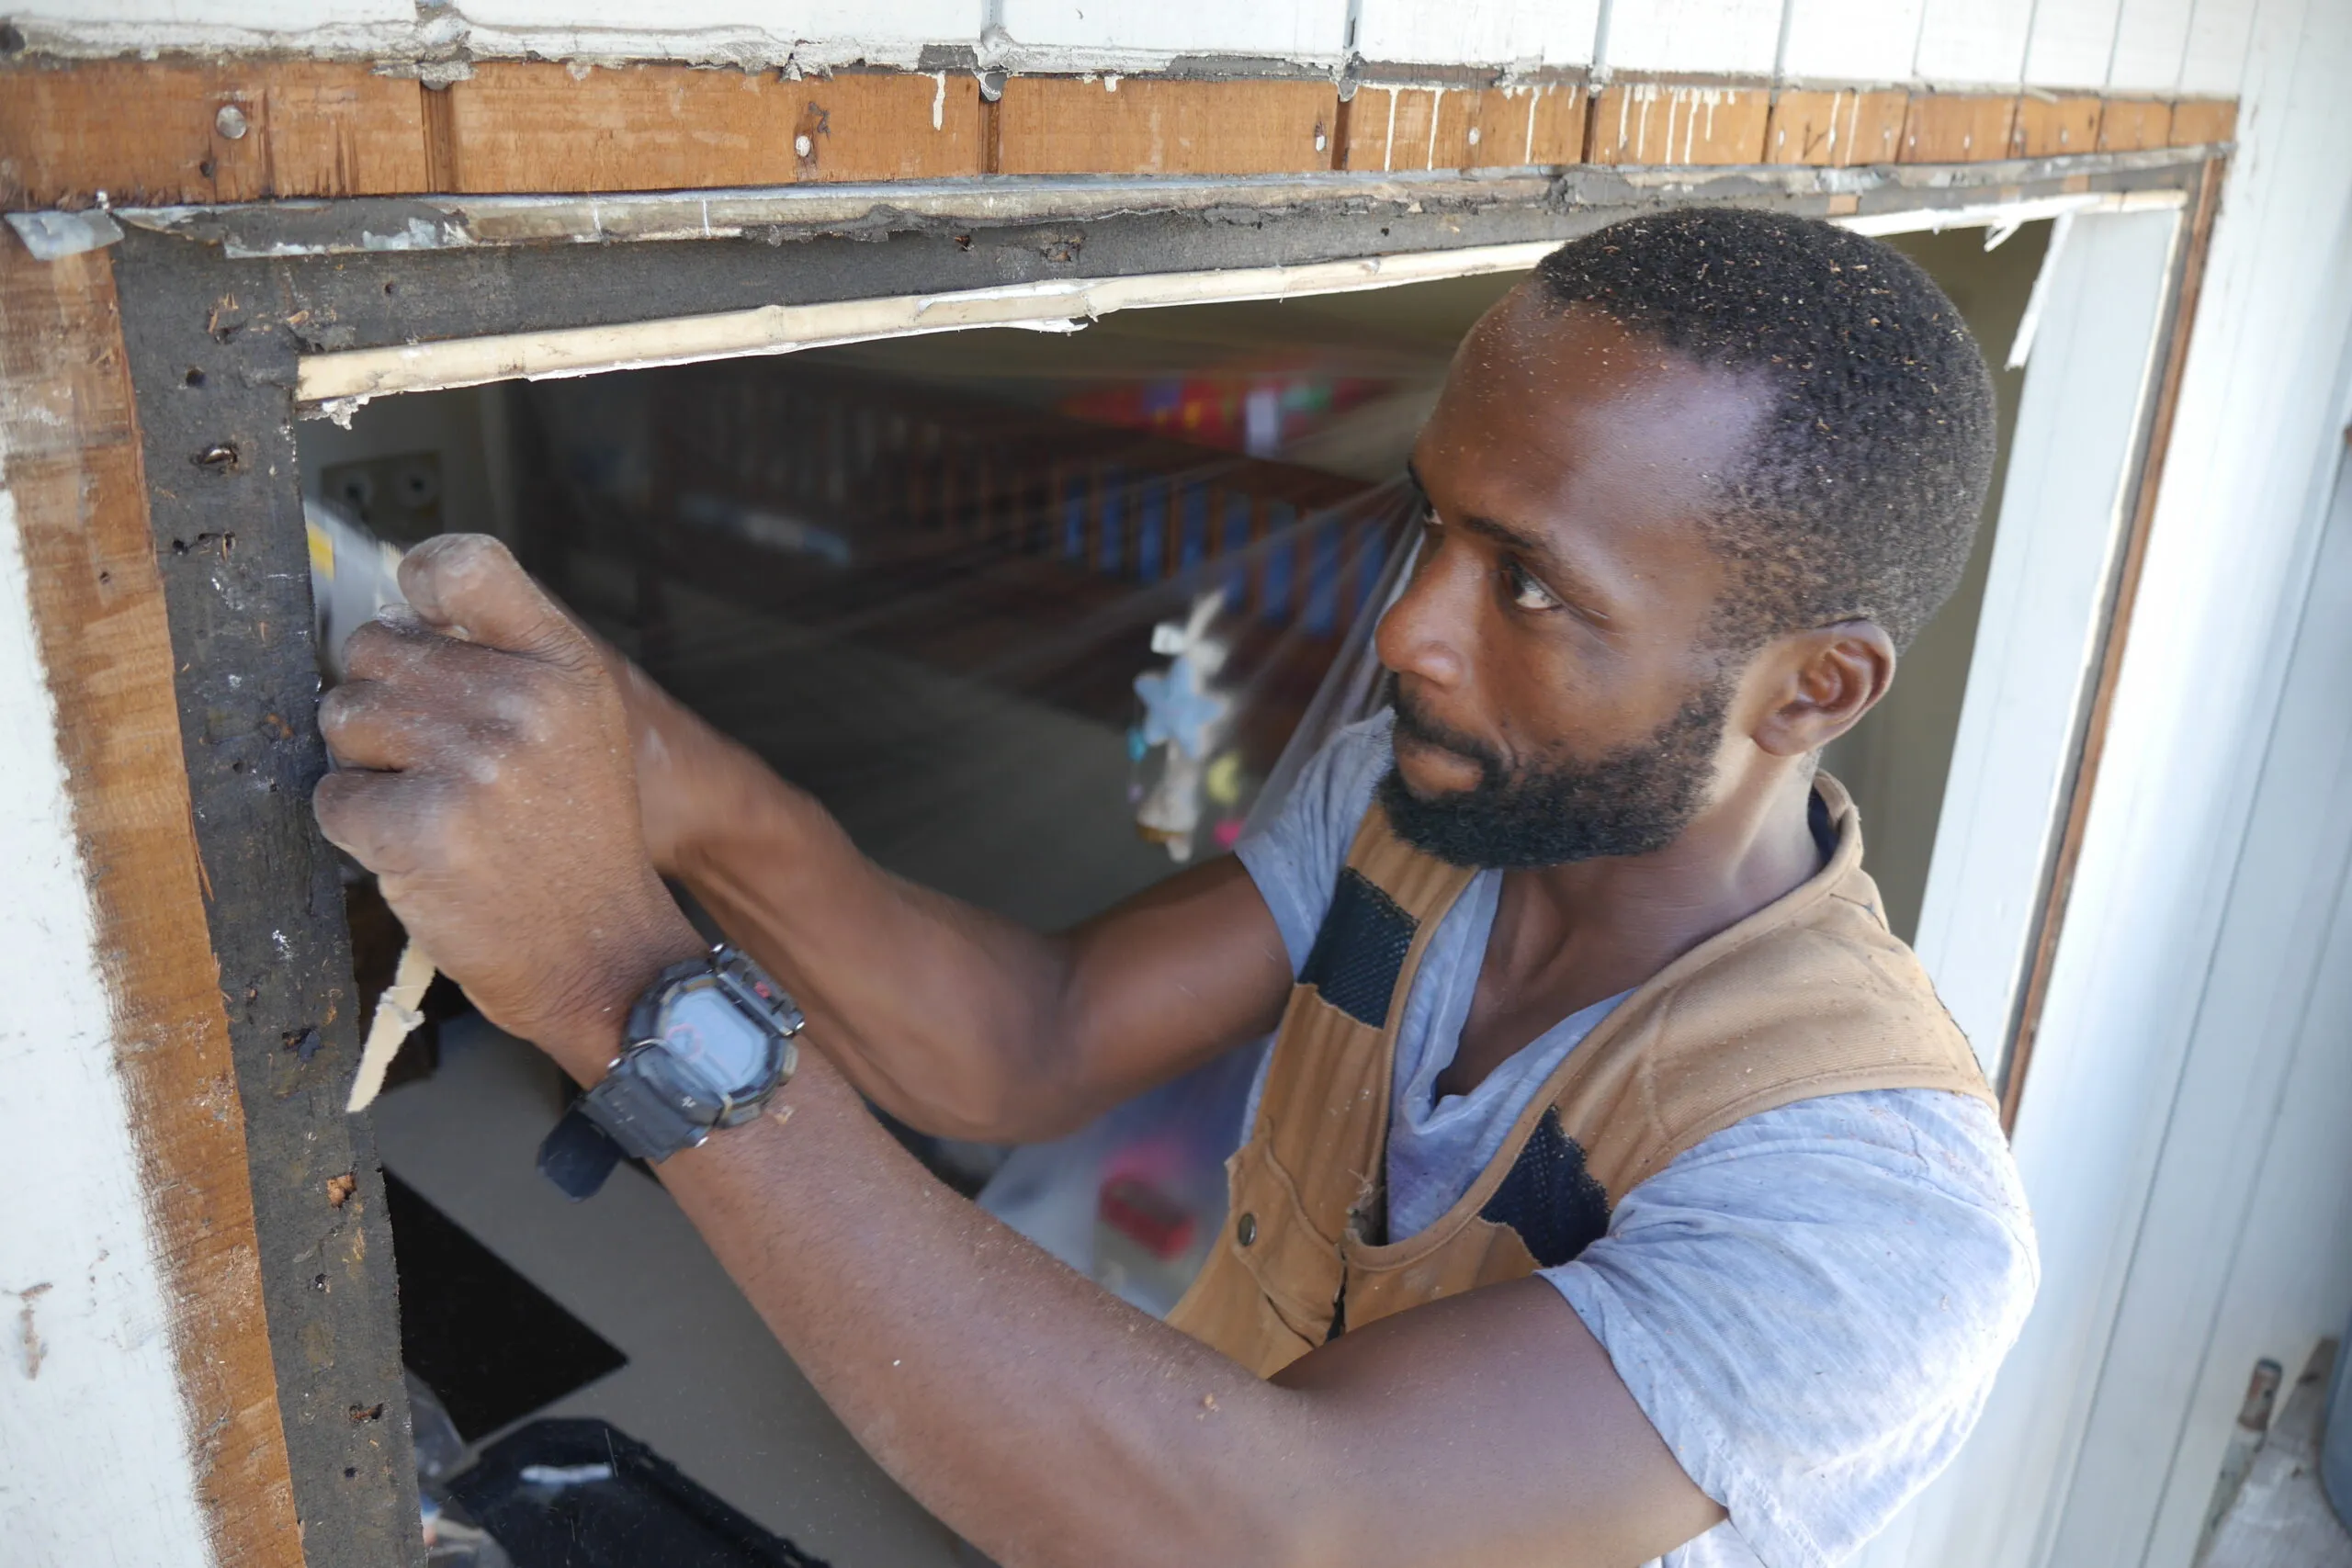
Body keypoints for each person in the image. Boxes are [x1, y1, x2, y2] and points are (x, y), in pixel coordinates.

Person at [315, 206, 2038, 1568]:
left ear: (1813, 689)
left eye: (1529, 586)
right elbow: (1027, 1040)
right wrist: (659, 768)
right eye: (1433, 524)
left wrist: (617, 975)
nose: (1408, 632)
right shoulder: (1418, 808)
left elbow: (1274, 1522)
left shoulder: (1877, 1215)